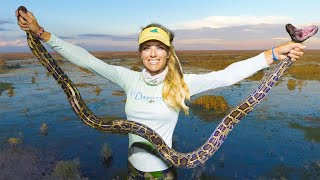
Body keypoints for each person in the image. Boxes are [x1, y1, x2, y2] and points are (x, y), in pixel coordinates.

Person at [16, 9, 305, 179]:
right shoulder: (128, 79)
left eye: (159, 48)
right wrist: (41, 33)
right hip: (132, 169)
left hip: (162, 173)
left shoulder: (180, 85)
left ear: (168, 53)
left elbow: (226, 75)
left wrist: (271, 55)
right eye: (146, 48)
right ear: (141, 52)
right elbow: (88, 61)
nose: (152, 53)